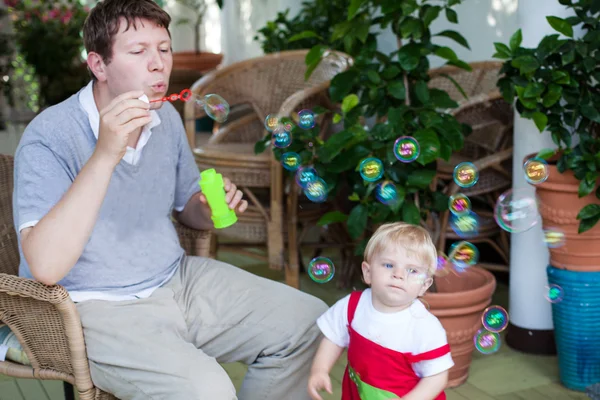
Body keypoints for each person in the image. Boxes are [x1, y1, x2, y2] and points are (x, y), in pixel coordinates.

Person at [12, 0, 327, 399]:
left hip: (177, 280)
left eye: (163, 48)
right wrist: (107, 153)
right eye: (139, 51)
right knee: (208, 391)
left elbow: (188, 208)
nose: (159, 63)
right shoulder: (50, 136)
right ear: (98, 65)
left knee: (309, 322)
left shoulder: (167, 120)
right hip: (93, 306)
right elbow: (45, 266)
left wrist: (210, 209)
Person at [308, 222, 454, 400]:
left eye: (412, 270)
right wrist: (320, 370)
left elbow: (436, 378)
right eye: (388, 265)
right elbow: (333, 338)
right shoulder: (352, 306)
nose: (398, 274)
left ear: (424, 285)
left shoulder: (425, 327)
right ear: (368, 272)